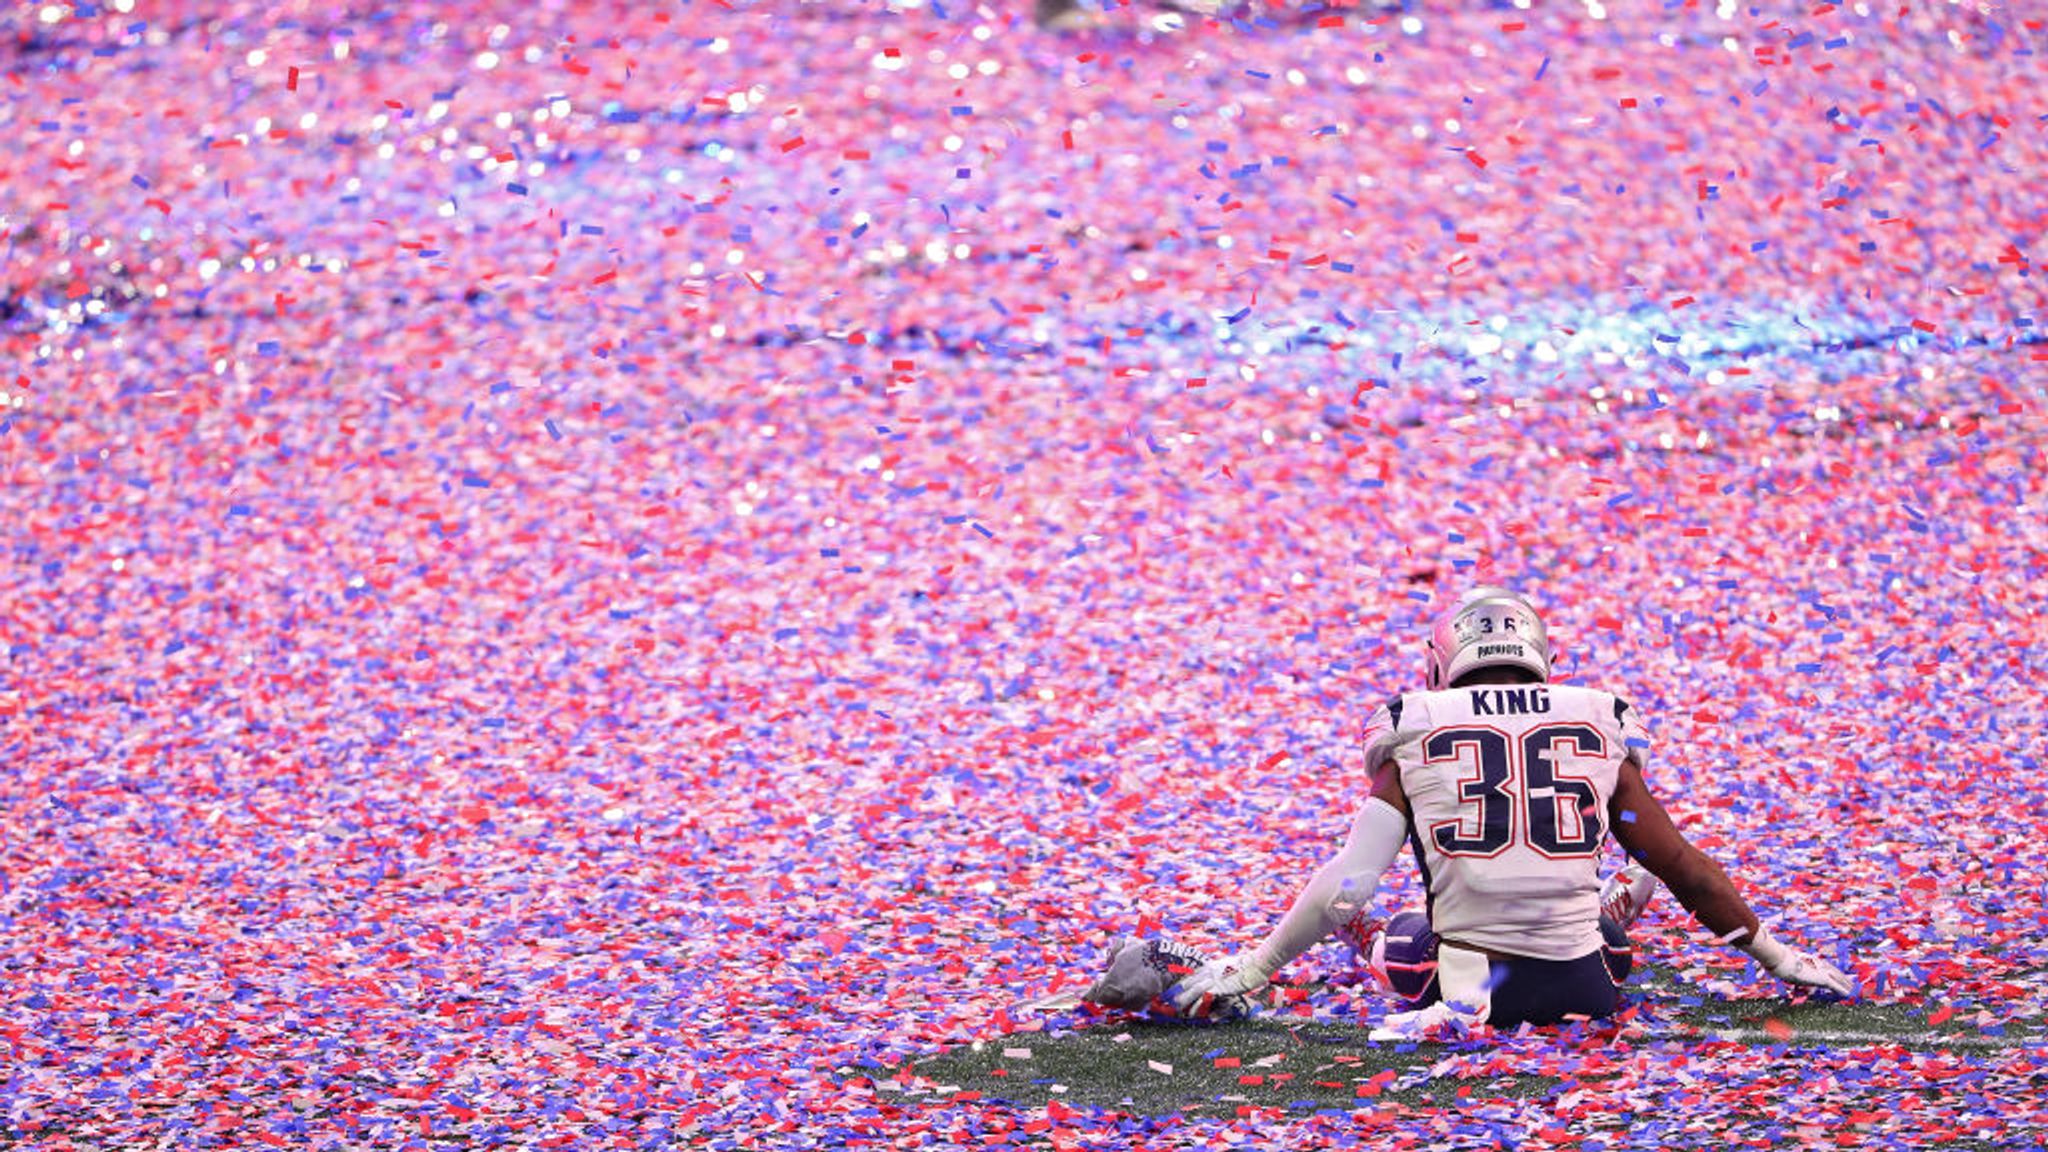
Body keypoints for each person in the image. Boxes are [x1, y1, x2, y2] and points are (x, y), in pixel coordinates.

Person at [1170, 586, 1856, 1034]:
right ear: (1541, 659)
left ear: (1441, 666)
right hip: (1590, 988)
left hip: (1469, 989)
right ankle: (1605, 910)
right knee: (1605, 935)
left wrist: (1251, 970)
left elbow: (1351, 880)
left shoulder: (1416, 723)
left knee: (1396, 939)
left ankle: (1374, 942)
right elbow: (1679, 865)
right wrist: (1779, 957)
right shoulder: (1594, 718)